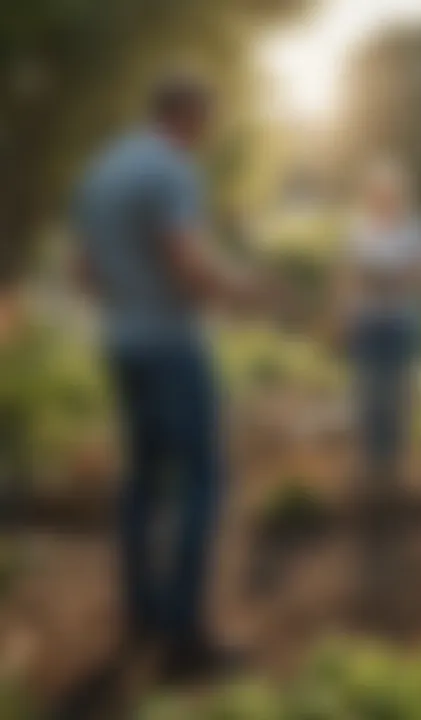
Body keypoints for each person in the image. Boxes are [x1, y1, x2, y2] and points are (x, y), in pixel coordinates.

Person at [72, 72, 267, 682]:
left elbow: (84, 271)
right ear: (189, 115)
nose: (207, 137)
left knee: (141, 485)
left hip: (122, 345)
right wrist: (242, 293)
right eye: (207, 123)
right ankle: (185, 637)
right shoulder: (170, 169)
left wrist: (130, 301)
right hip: (172, 348)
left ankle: (143, 615)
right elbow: (185, 260)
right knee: (201, 484)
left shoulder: (101, 170)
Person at [332, 160, 421, 621]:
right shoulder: (358, 232)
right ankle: (372, 481)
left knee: (397, 399)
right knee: (368, 399)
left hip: (398, 326)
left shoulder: (412, 231)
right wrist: (342, 314)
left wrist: (389, 280)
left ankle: (394, 479)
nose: (382, 198)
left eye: (389, 192)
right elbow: (347, 279)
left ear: (399, 195)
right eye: (377, 192)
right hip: (368, 326)